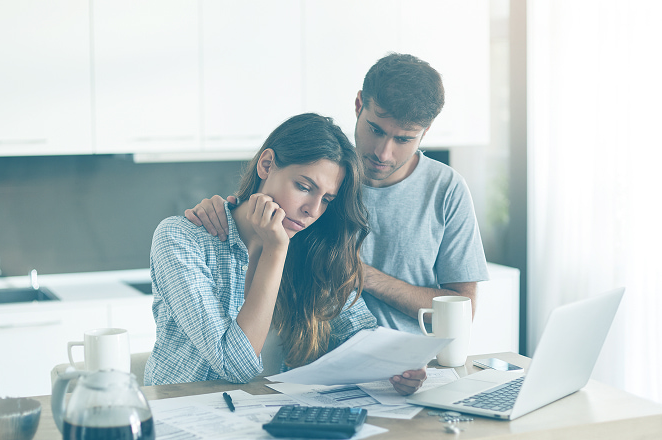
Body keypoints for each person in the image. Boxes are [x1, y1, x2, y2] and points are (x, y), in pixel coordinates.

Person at [185, 53, 489, 335]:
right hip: (315, 367)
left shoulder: (447, 189)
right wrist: (220, 211)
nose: (383, 152)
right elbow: (258, 218)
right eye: (376, 130)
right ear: (359, 105)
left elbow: (463, 310)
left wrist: (359, 275)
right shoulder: (327, 177)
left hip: (408, 367)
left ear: (427, 129)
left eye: (403, 139)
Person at [146, 113, 426, 394]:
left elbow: (360, 332)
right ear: (266, 165)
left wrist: (399, 363)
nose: (313, 210)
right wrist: (276, 250)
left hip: (267, 417)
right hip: (185, 416)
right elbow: (234, 365)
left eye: (327, 200)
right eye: (304, 187)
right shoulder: (181, 239)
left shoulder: (313, 249)